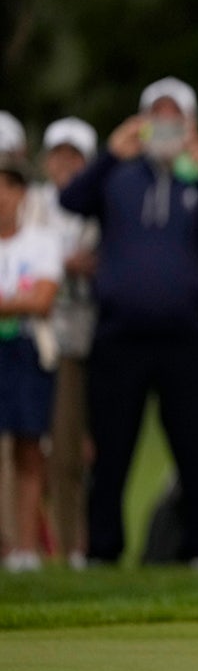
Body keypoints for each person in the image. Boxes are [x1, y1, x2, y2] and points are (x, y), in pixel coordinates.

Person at [61, 77, 198, 568]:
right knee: (113, 449)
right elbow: (71, 200)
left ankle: (197, 547)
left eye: (174, 116)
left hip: (186, 337)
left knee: (193, 448)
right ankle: (102, 549)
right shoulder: (118, 174)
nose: (164, 125)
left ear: (191, 124)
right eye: (155, 115)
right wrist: (109, 154)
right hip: (120, 334)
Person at [26, 118, 100, 570]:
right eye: (58, 156)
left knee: (75, 453)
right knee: (32, 449)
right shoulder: (31, 203)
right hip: (36, 336)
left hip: (86, 338)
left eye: (75, 158)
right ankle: (30, 547)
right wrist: (62, 264)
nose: (65, 165)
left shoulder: (99, 206)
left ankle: (76, 546)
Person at [0, 155, 62, 572]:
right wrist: (16, 303)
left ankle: (25, 549)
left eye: (9, 187)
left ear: (22, 194)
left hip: (26, 351)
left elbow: (42, 301)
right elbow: (28, 299)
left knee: (28, 448)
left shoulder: (42, 241)